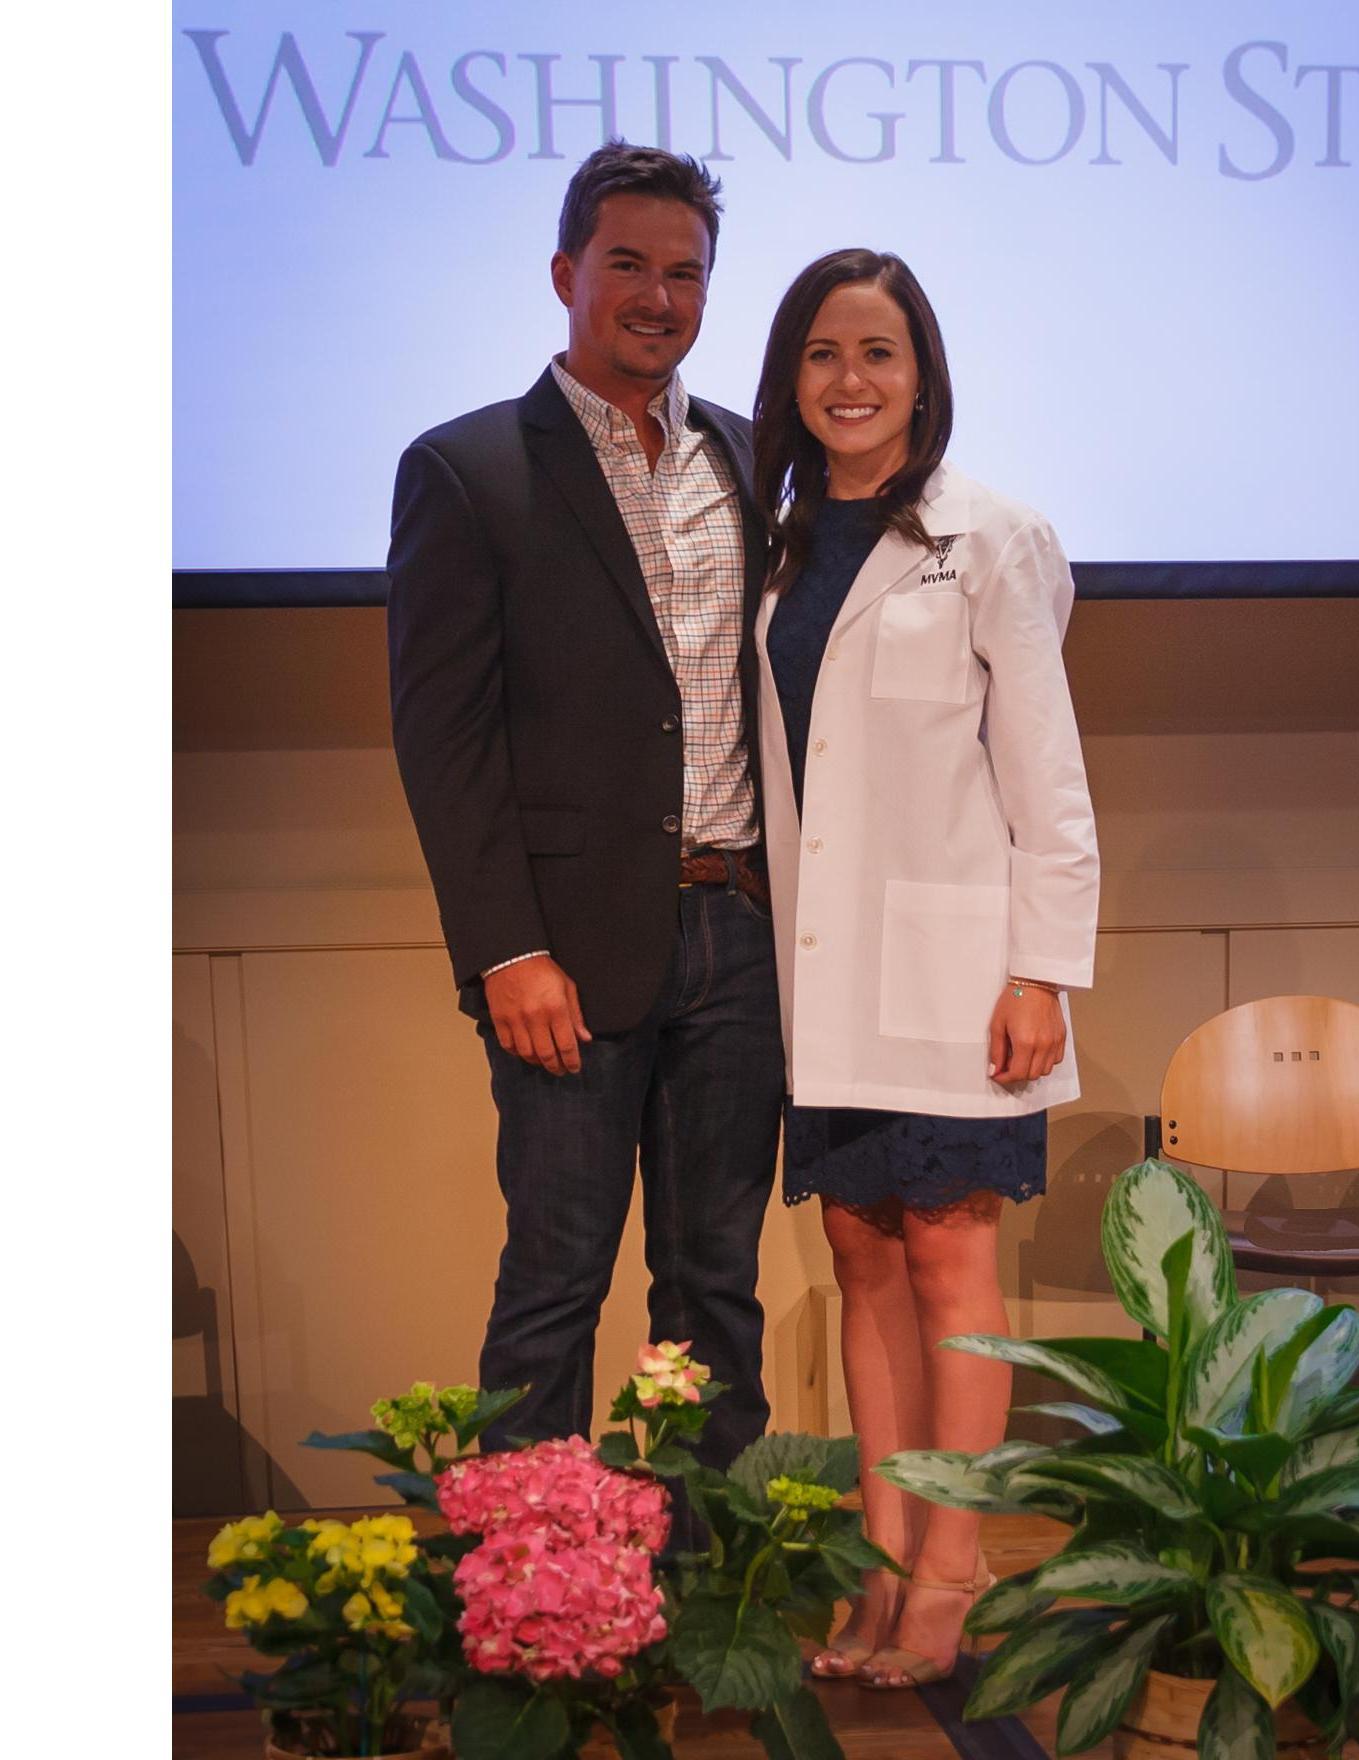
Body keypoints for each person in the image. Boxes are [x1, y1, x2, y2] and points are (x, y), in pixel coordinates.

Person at [385, 142, 783, 1470]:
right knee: (556, 1286)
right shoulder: (468, 468)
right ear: (567, 273)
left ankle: (702, 1584)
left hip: (740, 936)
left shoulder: (748, 457)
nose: (659, 296)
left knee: (714, 1291)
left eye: (687, 272)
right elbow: (443, 740)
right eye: (629, 264)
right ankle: (533, 1614)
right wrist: (505, 948)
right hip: (562, 952)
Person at [750, 250, 1100, 1688]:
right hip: (820, 974)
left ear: (923, 373)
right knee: (858, 1256)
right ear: (790, 375)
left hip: (961, 970)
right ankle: (883, 1555)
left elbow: (1047, 773)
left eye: (880, 353)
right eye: (825, 353)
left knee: (953, 1257)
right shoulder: (770, 547)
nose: (851, 380)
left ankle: (953, 1564)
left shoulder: (993, 537)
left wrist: (1041, 968)